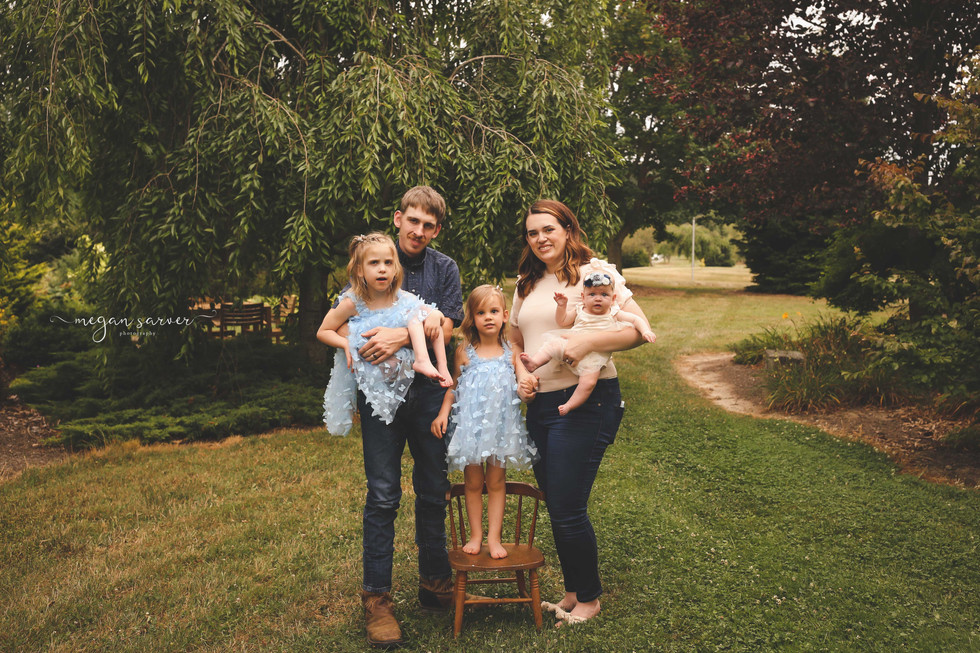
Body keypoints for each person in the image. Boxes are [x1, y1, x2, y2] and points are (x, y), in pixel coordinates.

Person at [317, 186, 463, 648]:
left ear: (436, 230)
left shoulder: (444, 268)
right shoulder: (372, 260)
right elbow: (341, 319)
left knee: (433, 488)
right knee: (383, 494)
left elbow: (448, 325)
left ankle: (434, 580)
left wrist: (401, 334)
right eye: (412, 221)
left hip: (428, 394)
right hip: (381, 398)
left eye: (428, 225)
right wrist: (356, 346)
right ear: (399, 219)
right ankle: (377, 598)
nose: (419, 231)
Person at [509, 199, 651, 626]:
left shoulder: (596, 273)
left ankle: (589, 599)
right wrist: (522, 372)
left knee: (568, 504)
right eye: (532, 232)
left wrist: (588, 342)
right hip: (541, 405)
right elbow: (515, 340)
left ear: (568, 230)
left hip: (588, 401)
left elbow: (636, 330)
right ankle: (572, 593)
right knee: (557, 501)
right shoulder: (526, 283)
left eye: (548, 229)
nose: (540, 239)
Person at [430, 285, 538, 559]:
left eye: (493, 311)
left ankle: (494, 538)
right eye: (481, 312)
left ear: (504, 316)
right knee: (473, 482)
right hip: (472, 430)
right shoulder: (465, 352)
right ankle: (476, 535)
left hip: (501, 429)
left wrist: (527, 386)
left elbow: (523, 379)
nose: (488, 317)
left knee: (497, 482)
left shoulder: (511, 351)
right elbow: (454, 387)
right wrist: (443, 413)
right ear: (472, 318)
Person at [319, 232, 452, 436]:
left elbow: (431, 315)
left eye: (388, 263)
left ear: (396, 269)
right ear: (360, 270)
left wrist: (437, 315)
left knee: (419, 315)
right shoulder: (352, 302)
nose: (382, 269)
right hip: (376, 383)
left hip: (411, 382)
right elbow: (323, 331)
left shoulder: (404, 298)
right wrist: (345, 343)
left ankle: (435, 364)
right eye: (374, 263)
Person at [519, 267, 656, 415]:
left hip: (595, 357)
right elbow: (562, 321)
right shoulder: (580, 309)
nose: (598, 298)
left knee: (588, 383)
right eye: (592, 294)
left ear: (613, 298)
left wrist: (645, 331)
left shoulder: (614, 312)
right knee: (552, 344)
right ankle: (535, 363)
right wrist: (562, 306)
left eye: (604, 294)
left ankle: (570, 405)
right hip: (571, 344)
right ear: (583, 297)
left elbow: (635, 319)